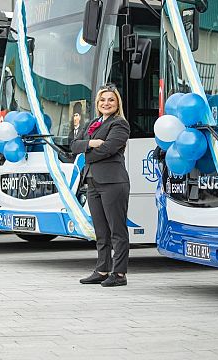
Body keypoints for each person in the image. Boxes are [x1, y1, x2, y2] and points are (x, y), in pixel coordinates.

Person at [71, 84, 130, 287]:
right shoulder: (93, 123)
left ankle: (120, 274)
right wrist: (91, 143)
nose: (106, 103)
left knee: (117, 230)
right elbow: (73, 145)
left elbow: (109, 149)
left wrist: (87, 149)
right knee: (101, 230)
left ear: (117, 103)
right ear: (97, 103)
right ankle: (103, 269)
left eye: (111, 100)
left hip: (113, 181)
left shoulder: (120, 124)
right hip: (93, 181)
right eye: (103, 100)